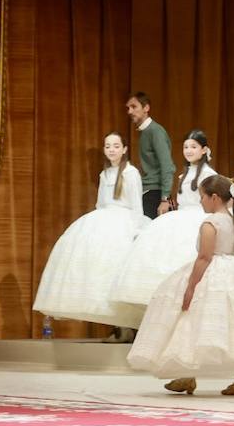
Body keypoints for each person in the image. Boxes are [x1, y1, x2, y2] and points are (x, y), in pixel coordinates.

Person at [128, 175, 234, 396]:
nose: (200, 202)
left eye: (202, 197)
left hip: (213, 272)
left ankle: (190, 374)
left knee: (191, 320)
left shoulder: (211, 223)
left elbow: (204, 257)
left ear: (214, 198)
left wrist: (191, 287)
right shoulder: (232, 218)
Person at [33, 133, 149, 333]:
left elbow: (137, 206)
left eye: (115, 146)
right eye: (107, 146)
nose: (111, 150)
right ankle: (118, 328)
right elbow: (100, 202)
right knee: (100, 272)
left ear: (124, 149)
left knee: (118, 272)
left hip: (124, 224)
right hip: (103, 221)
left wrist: (137, 230)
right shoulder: (104, 174)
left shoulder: (131, 173)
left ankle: (128, 327)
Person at [111, 129, 220, 309]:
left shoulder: (208, 174)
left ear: (204, 150)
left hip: (198, 219)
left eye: (193, 146)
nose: (188, 150)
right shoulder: (183, 174)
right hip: (180, 217)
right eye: (186, 147)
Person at [126, 92, 176, 219]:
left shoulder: (155, 131)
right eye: (128, 108)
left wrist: (164, 199)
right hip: (147, 192)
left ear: (146, 108)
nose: (130, 111)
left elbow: (167, 166)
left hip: (155, 194)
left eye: (134, 107)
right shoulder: (145, 132)